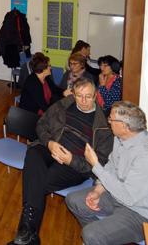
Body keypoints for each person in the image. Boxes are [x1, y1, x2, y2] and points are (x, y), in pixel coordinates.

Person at [8, 78, 114, 245]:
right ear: (73, 94)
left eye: (88, 96)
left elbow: (97, 165)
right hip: (53, 148)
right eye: (79, 96)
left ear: (96, 95)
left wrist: (71, 159)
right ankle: (29, 235)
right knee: (34, 152)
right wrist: (50, 143)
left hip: (75, 165)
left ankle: (27, 234)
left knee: (36, 182)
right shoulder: (65, 104)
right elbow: (41, 124)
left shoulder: (104, 127)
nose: (84, 101)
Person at [66, 101, 148, 245]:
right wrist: (98, 190)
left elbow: (128, 197)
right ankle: (101, 238)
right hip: (116, 195)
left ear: (125, 126)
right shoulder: (119, 137)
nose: (108, 121)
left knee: (90, 234)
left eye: (111, 119)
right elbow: (111, 165)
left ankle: (97, 237)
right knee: (74, 200)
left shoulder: (144, 154)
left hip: (139, 213)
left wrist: (95, 165)